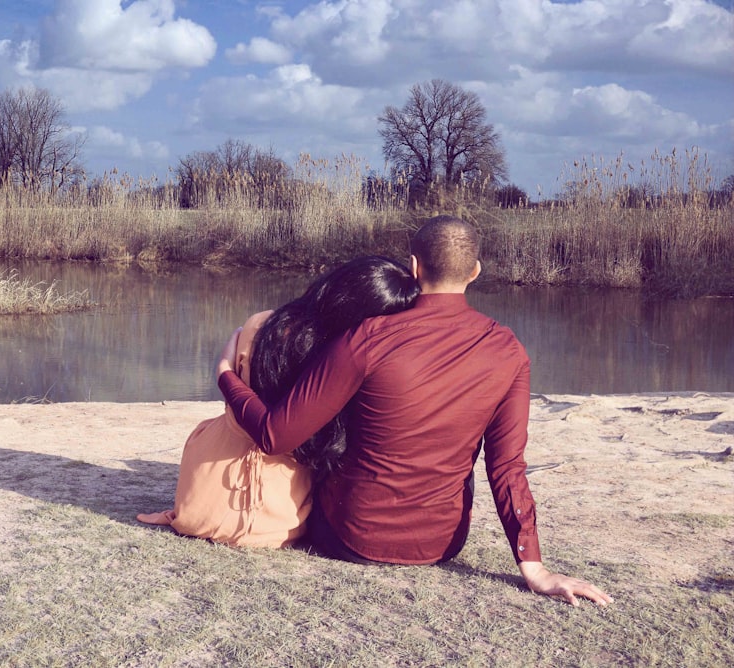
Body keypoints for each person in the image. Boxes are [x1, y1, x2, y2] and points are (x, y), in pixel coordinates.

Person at [217, 216, 613, 606]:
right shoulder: (508, 350)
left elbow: (275, 435)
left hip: (349, 536)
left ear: (413, 267)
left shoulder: (368, 337)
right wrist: (534, 566)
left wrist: (226, 376)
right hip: (441, 544)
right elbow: (506, 467)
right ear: (475, 272)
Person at [137, 256, 420, 547]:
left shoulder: (261, 324)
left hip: (204, 494)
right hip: (279, 515)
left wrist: (224, 371)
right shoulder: (347, 358)